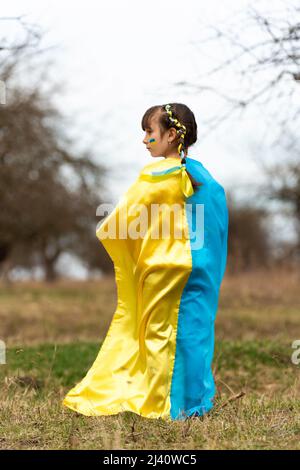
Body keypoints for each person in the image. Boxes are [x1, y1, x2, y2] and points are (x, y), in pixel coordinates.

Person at [62, 103, 229, 421]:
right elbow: (214, 224)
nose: (144, 139)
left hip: (164, 270)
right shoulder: (203, 176)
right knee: (194, 332)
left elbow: (126, 218)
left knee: (158, 334)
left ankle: (161, 401)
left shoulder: (155, 175)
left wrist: (110, 234)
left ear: (170, 135)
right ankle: (194, 403)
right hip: (198, 270)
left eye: (149, 132)